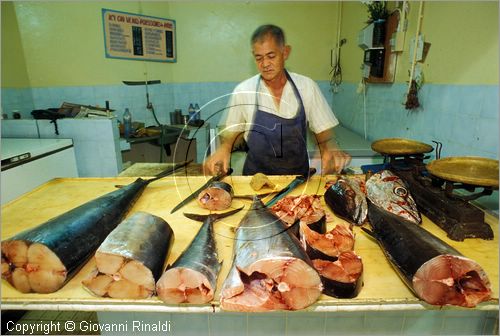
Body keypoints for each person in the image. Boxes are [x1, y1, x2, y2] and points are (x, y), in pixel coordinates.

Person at [203, 24, 351, 176]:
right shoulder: (243, 91)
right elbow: (229, 136)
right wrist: (224, 149)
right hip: (255, 181)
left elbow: (325, 136)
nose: (265, 64)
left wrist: (330, 148)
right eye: (259, 58)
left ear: (285, 52)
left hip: (297, 181)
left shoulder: (307, 87)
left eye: (271, 56)